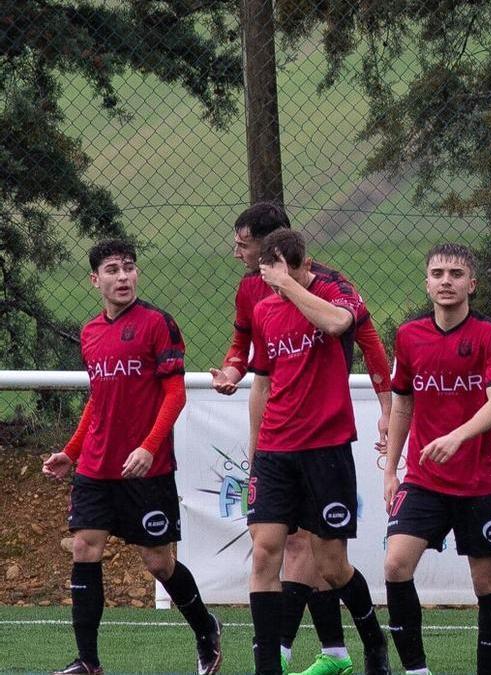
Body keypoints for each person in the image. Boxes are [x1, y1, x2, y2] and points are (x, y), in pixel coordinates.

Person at [209, 202, 391, 675]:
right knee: (267, 548)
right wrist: (255, 449)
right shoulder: (262, 306)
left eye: (244, 245)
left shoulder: (332, 291)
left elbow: (342, 326)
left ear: (302, 264)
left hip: (326, 449)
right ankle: (270, 663)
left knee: (330, 565)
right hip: (275, 449)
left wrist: (388, 403)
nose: (237, 254)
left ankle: (372, 641)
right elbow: (262, 375)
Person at [43, 239, 222, 675]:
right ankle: (88, 662)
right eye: (112, 270)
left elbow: (174, 394)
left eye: (128, 268)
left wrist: (148, 445)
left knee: (158, 562)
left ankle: (206, 630)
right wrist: (72, 451)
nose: (122, 277)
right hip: (96, 468)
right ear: (95, 280)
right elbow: (98, 401)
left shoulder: (158, 323)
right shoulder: (90, 333)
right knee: (85, 548)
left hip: (147, 468)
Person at [382, 244, 491, 675]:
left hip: (483, 481)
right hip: (424, 479)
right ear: (426, 282)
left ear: (471, 284)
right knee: (396, 565)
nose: (446, 281)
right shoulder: (408, 336)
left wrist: (456, 437)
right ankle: (416, 670)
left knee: (485, 583)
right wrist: (391, 469)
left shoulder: (490, 335)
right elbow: (402, 405)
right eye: (437, 273)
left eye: (456, 274)